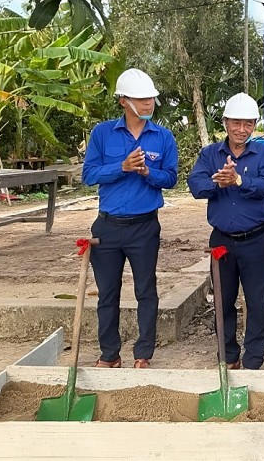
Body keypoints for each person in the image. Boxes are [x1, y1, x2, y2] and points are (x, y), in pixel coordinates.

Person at [82, 68, 178, 369]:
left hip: (144, 227)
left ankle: (143, 353)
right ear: (124, 101)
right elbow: (88, 175)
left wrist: (148, 172)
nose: (148, 103)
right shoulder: (102, 134)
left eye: (151, 98)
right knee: (107, 294)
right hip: (107, 228)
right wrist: (121, 167)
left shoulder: (163, 137)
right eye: (141, 98)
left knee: (146, 291)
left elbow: (171, 178)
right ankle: (109, 354)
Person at [188, 93, 264, 370]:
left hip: (256, 240)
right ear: (225, 122)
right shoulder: (210, 154)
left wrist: (239, 180)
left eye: (248, 123)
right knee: (223, 300)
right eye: (236, 123)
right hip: (221, 241)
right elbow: (196, 186)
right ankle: (228, 355)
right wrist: (218, 182)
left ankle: (253, 359)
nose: (242, 129)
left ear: (254, 125)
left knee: (257, 300)